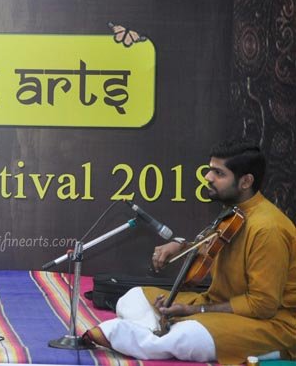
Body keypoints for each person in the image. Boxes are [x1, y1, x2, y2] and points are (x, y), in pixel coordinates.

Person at [84, 138, 296, 363]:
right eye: (210, 169)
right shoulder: (233, 214)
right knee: (132, 298)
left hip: (271, 325)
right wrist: (180, 247)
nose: (208, 177)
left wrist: (198, 311)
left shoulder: (268, 229)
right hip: (215, 304)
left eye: (219, 173)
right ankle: (160, 331)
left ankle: (141, 334)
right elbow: (209, 248)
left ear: (246, 181)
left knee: (189, 335)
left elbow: (262, 306)